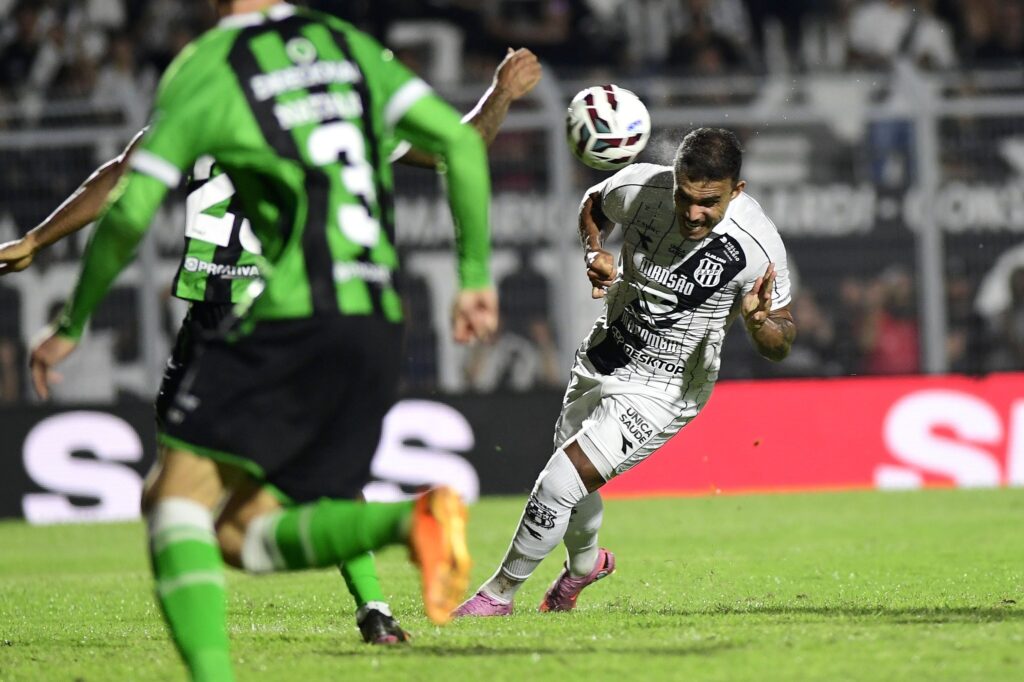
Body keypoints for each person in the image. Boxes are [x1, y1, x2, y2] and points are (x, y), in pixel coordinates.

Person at [0, 44, 540, 645]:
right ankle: (376, 602)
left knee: (181, 503)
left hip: (227, 316)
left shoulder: (204, 103)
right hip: (308, 313)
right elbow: (456, 147)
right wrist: (501, 93)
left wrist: (39, 242)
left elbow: (121, 178)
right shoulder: (332, 121)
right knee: (306, 478)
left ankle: (379, 550)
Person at [454, 127, 795, 617]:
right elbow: (594, 204)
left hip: (666, 387)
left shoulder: (757, 245)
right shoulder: (640, 187)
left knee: (558, 483)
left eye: (709, 202)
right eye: (685, 196)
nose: (693, 213)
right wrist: (594, 249)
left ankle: (498, 596)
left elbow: (781, 340)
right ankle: (584, 566)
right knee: (572, 481)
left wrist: (761, 324)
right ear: (673, 178)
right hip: (604, 353)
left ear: (736, 190)